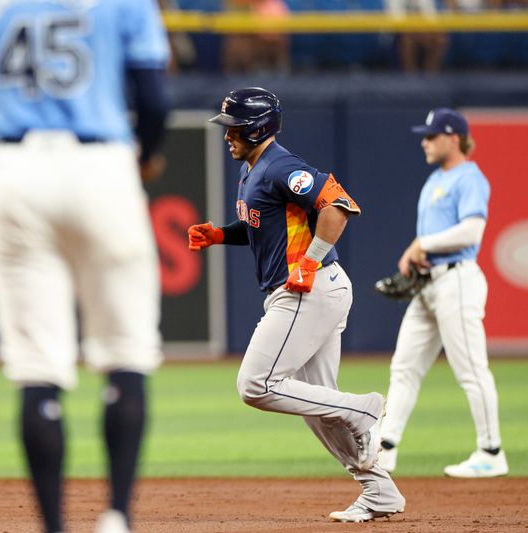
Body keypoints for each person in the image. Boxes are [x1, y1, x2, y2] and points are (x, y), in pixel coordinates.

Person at [0, 1, 170, 532]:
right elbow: (154, 98)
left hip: (13, 165)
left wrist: (4, 164)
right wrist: (142, 158)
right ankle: (118, 517)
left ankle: (54, 528)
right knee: (126, 352)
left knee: (37, 367)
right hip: (102, 162)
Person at [188, 87, 405, 523]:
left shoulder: (280, 165)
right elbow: (262, 224)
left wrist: (310, 260)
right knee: (319, 411)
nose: (226, 135)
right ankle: (379, 492)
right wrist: (220, 234)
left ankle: (363, 408)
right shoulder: (253, 169)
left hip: (309, 290)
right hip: (310, 292)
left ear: (257, 128)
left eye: (233, 128)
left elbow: (339, 206)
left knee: (256, 384)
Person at [377, 108, 508, 479]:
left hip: (458, 282)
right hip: (429, 284)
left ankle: (491, 451)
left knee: (470, 369)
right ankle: (385, 448)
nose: (424, 141)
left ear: (454, 138)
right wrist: (417, 256)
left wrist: (423, 244)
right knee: (404, 367)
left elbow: (472, 232)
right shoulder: (436, 179)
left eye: (431, 136)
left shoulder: (469, 177)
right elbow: (429, 242)